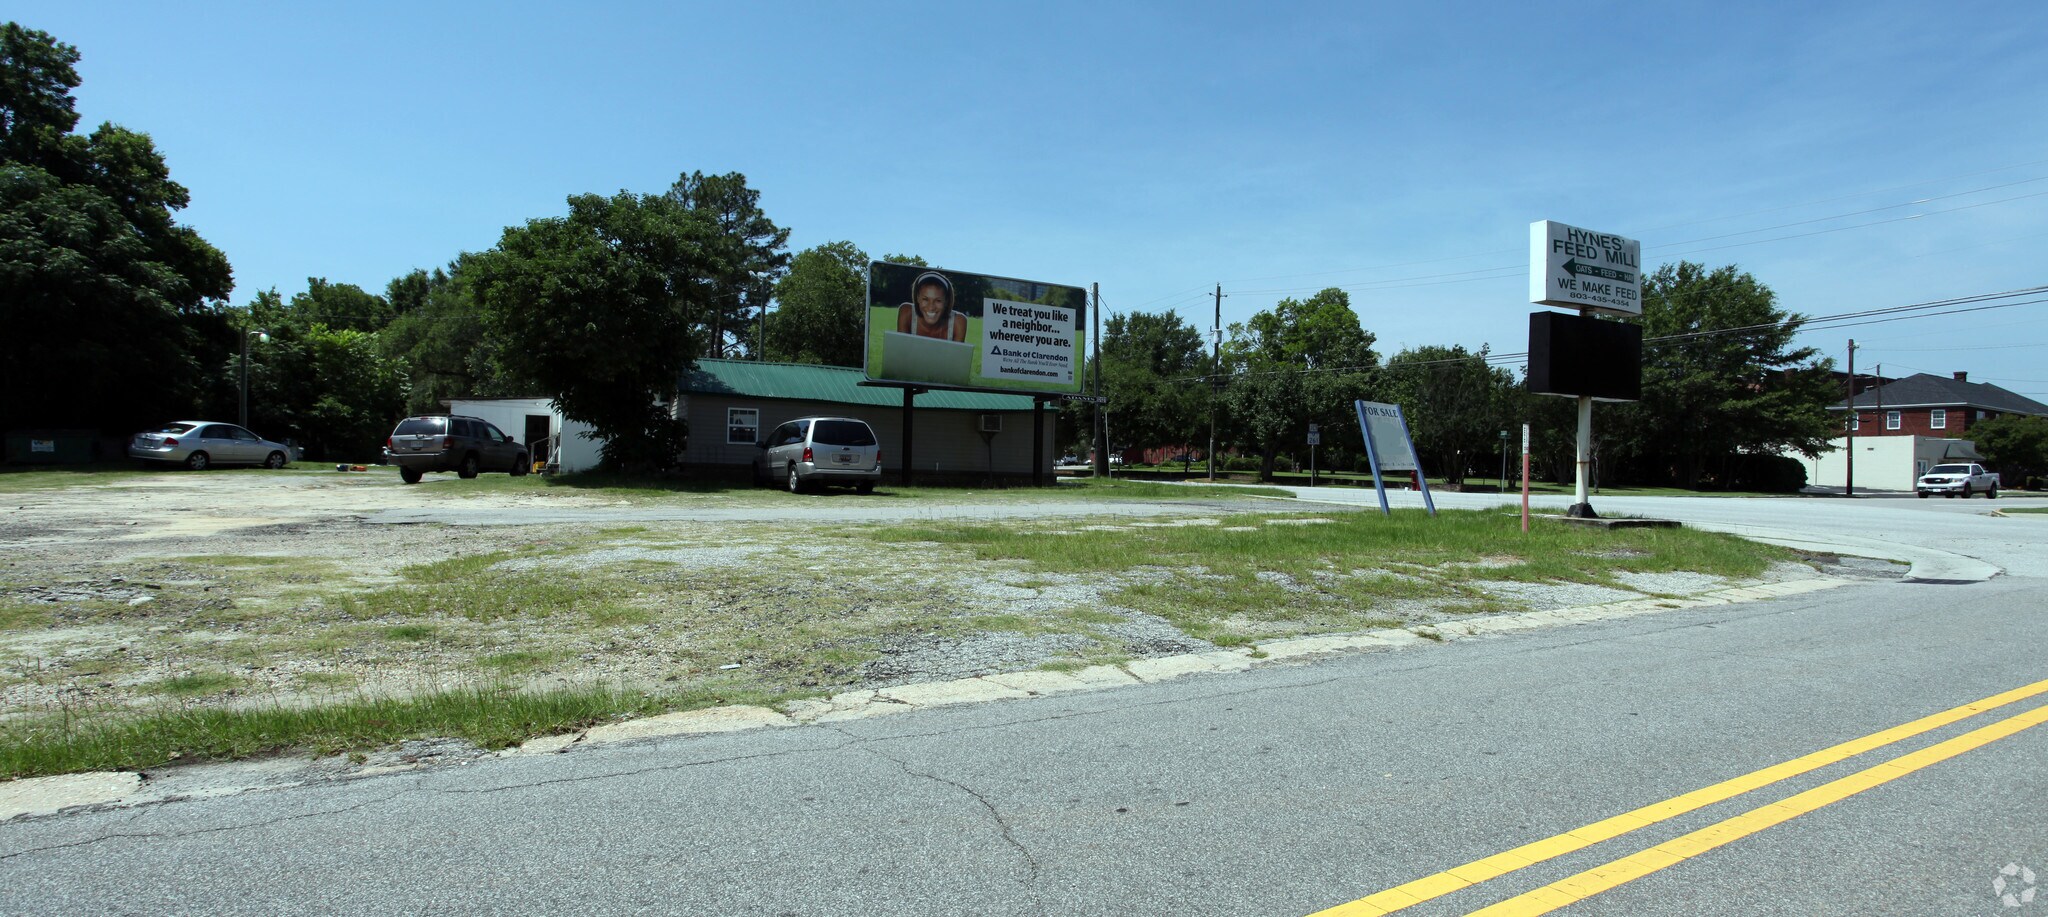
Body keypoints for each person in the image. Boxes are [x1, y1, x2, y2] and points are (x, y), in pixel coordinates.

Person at [897, 272, 967, 342]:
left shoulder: (958, 322)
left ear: (946, 301)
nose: (931, 307)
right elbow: (901, 350)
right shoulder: (906, 312)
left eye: (938, 301)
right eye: (925, 299)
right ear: (917, 297)